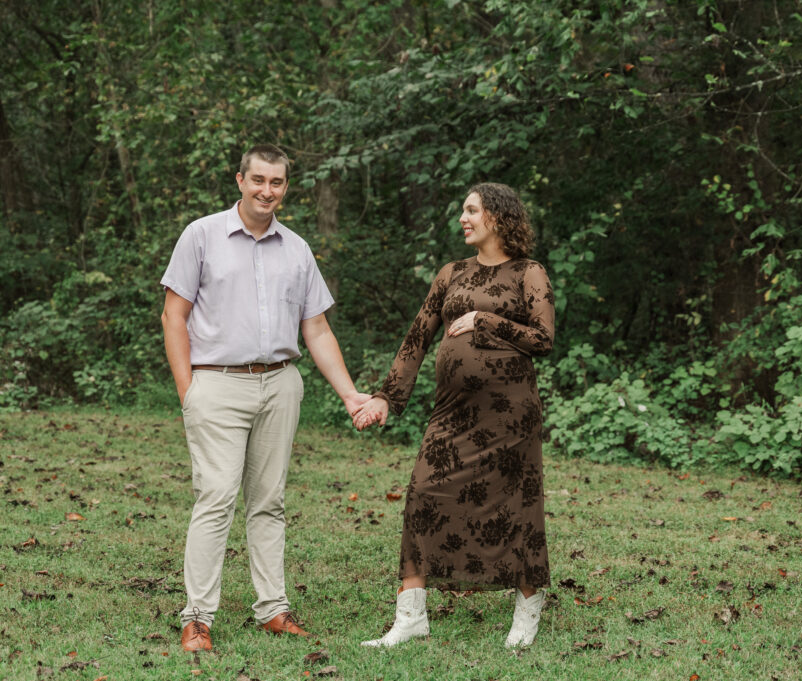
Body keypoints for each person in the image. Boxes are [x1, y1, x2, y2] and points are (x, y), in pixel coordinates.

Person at [161, 144, 371, 652]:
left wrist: (349, 394)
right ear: (240, 180)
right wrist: (189, 390)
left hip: (280, 384)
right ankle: (197, 617)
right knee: (216, 497)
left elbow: (317, 329)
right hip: (216, 384)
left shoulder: (296, 249)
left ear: (285, 187)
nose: (267, 191)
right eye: (258, 180)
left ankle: (273, 609)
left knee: (269, 501)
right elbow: (174, 316)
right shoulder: (202, 236)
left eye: (276, 183)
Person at [353, 182, 555, 649]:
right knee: (423, 493)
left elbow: (543, 339)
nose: (463, 219)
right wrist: (386, 397)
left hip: (511, 417)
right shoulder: (452, 273)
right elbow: (418, 337)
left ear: (498, 217)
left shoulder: (529, 273)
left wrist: (485, 320)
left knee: (516, 506)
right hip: (452, 412)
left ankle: (528, 607)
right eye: (463, 211)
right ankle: (411, 616)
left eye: (471, 211)